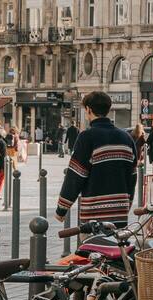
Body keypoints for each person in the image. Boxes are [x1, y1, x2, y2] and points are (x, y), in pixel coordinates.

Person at [56, 92, 139, 224]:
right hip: (120, 213)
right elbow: (132, 176)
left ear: (88, 109)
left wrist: (62, 209)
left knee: (92, 245)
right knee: (116, 245)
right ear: (108, 109)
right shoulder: (126, 138)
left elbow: (76, 175)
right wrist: (126, 203)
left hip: (94, 215)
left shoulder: (87, 137)